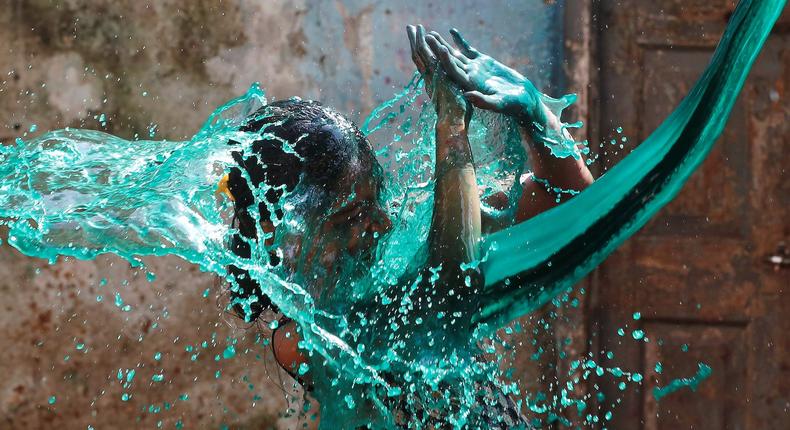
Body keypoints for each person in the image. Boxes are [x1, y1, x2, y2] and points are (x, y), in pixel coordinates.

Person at [222, 25, 593, 427]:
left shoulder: (413, 234)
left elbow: (574, 204)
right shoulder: (303, 340)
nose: (381, 226)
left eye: (376, 203)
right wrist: (451, 130)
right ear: (282, 235)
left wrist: (537, 118)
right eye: (351, 217)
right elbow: (448, 292)